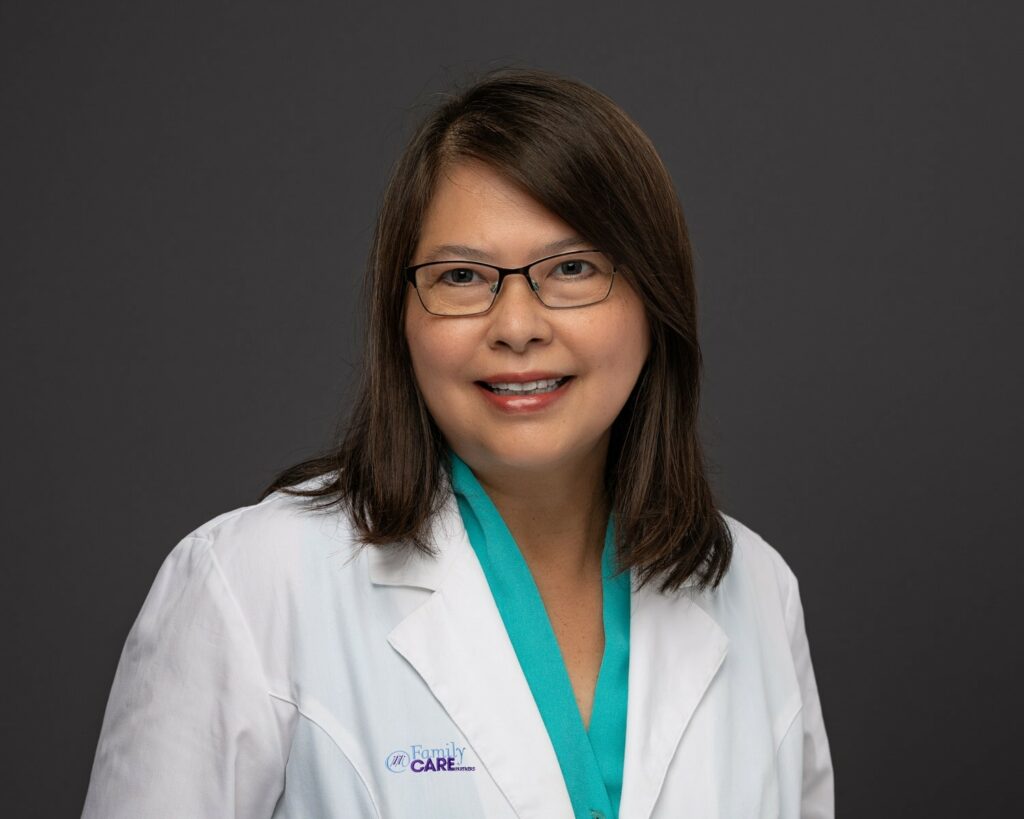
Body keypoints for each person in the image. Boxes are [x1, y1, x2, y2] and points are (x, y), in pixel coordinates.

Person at [82, 68, 834, 818]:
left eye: (572, 268)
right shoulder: (253, 583)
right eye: (463, 276)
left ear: (654, 301)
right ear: (400, 317)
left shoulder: (756, 592)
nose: (516, 325)